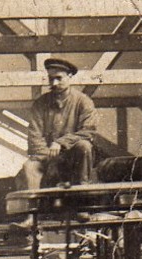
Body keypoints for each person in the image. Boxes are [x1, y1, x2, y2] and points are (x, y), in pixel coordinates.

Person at [21, 57, 97, 190]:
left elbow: (88, 132)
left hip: (73, 158)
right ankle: (34, 208)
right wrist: (50, 159)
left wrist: (60, 142)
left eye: (59, 78)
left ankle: (83, 197)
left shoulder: (84, 101)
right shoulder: (40, 104)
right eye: (51, 79)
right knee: (29, 167)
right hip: (48, 158)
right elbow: (34, 138)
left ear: (70, 76)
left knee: (84, 146)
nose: (54, 83)